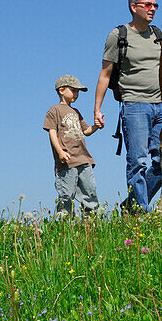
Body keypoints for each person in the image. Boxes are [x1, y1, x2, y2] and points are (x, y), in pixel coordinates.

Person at [93, 0, 162, 212]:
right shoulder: (118, 35)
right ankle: (140, 213)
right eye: (148, 5)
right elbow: (105, 74)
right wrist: (97, 109)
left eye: (155, 5)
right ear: (134, 7)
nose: (153, 9)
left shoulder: (158, 35)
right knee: (138, 162)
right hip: (134, 105)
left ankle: (131, 205)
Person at [44, 75, 101, 216]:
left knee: (90, 190)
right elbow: (52, 133)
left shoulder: (76, 112)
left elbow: (86, 131)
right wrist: (60, 152)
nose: (76, 94)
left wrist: (96, 126)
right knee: (66, 194)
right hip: (67, 160)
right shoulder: (54, 111)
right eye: (73, 90)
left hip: (84, 158)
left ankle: (90, 221)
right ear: (61, 90)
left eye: (78, 92)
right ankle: (64, 223)